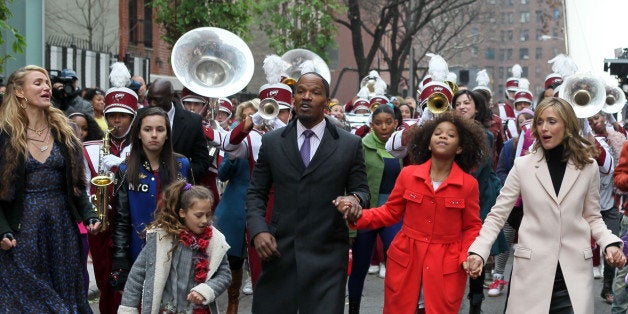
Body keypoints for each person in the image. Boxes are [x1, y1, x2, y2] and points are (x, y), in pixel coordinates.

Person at [466, 97, 627, 313]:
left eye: (552, 121)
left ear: (568, 125)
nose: (544, 128)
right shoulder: (523, 165)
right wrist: (479, 251)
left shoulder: (588, 167)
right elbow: (497, 215)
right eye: (540, 122)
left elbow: (593, 217)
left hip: (574, 275)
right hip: (532, 273)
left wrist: (609, 243)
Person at [246, 72, 370, 313]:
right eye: (301, 91)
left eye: (315, 92)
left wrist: (354, 200)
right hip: (279, 252)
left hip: (328, 254)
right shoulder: (272, 142)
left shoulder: (348, 144)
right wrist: (259, 230)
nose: (306, 97)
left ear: (326, 100)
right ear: (293, 99)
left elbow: (361, 190)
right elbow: (255, 193)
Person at [341, 112, 486, 313]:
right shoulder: (408, 175)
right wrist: (357, 217)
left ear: (460, 148)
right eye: (438, 133)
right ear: (428, 143)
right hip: (406, 261)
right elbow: (390, 212)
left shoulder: (468, 185)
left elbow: (472, 226)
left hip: (445, 266)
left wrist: (467, 256)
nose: (443, 137)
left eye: (451, 135)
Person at [0, 65, 101, 312]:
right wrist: (2, 230)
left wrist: (89, 215)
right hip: (22, 231)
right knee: (28, 300)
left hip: (61, 229)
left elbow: (77, 185)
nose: (46, 87)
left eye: (46, 82)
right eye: (38, 83)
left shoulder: (66, 131)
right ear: (20, 92)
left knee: (65, 298)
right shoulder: (5, 135)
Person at [110, 107, 192, 291]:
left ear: (167, 134)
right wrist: (120, 261)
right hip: (138, 252)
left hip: (177, 251)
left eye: (160, 129)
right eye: (147, 129)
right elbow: (121, 220)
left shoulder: (182, 165)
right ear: (138, 133)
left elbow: (192, 212)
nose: (154, 135)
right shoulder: (124, 170)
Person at [118, 180, 231, 313]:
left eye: (208, 214)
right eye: (198, 215)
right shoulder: (162, 238)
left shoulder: (215, 241)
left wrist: (206, 289)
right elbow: (136, 276)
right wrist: (128, 308)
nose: (205, 220)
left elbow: (225, 274)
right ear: (182, 212)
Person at [84, 83, 138, 314]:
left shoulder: (143, 147)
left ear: (133, 118)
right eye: (112, 115)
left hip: (134, 223)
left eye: (123, 116)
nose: (117, 121)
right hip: (102, 225)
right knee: (105, 281)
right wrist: (92, 213)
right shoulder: (89, 148)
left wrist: (124, 165)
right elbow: (83, 188)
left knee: (133, 283)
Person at [453, 89, 507, 313]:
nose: (463, 106)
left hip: (478, 199)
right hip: (452, 197)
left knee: (477, 251)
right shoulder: (448, 131)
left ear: (477, 108)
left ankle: (476, 303)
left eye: (468, 103)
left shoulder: (486, 135)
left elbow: (477, 169)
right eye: (458, 103)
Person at [348, 104, 403, 313]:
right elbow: (350, 180)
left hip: (393, 212)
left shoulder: (402, 147)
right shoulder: (360, 145)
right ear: (371, 125)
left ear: (396, 123)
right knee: (360, 265)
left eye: (388, 122)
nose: (384, 127)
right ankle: (353, 307)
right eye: (378, 123)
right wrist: (351, 227)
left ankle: (396, 307)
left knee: (398, 259)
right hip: (366, 212)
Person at [213, 100, 258, 313]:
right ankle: (232, 302)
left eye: (254, 116)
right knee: (233, 258)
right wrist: (231, 155)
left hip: (259, 204)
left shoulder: (267, 140)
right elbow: (222, 174)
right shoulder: (236, 141)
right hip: (234, 206)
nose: (250, 121)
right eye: (245, 117)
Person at [587, 110, 626, 303]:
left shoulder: (617, 138)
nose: (594, 122)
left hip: (609, 202)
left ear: (604, 117)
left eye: (596, 117)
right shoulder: (585, 140)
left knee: (613, 243)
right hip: (588, 203)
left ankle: (607, 287)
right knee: (584, 249)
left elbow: (614, 167)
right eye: (590, 120)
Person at [146, 78, 211, 183]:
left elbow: (202, 162)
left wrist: (181, 178)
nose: (152, 104)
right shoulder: (140, 116)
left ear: (171, 96)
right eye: (149, 100)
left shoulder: (193, 122)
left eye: (157, 100)